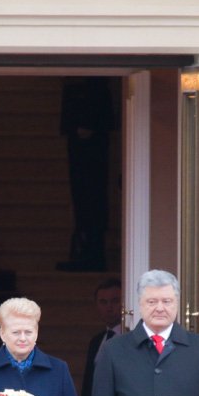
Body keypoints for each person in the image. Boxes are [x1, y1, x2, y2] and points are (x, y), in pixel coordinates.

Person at [57, 76, 114, 272]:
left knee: (91, 195)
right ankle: (87, 248)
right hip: (84, 134)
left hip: (91, 141)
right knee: (82, 195)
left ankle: (92, 250)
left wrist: (87, 121)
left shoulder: (94, 90)